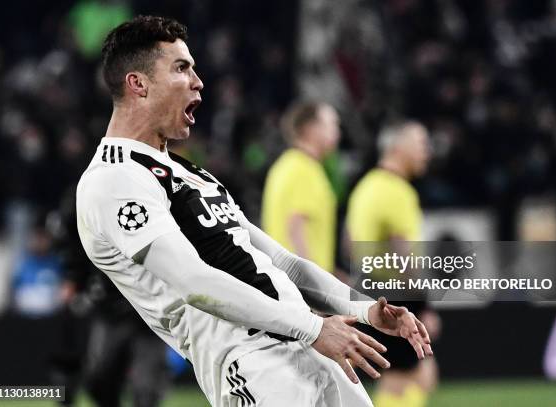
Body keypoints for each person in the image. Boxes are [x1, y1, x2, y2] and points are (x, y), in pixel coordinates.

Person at [76, 16, 432, 407]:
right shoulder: (113, 179)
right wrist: (313, 328)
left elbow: (282, 262)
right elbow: (195, 282)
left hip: (313, 343)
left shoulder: (192, 174)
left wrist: (364, 309)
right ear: (137, 84)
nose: (198, 82)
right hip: (253, 364)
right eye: (181, 68)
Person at [346, 121, 441, 407]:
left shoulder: (365, 187)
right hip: (397, 297)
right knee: (413, 378)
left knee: (396, 379)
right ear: (398, 147)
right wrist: (424, 308)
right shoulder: (397, 191)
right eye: (421, 143)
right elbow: (404, 258)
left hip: (369, 292)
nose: (427, 151)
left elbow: (349, 244)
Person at [261, 101, 339, 273]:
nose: (337, 132)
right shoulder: (304, 169)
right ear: (311, 128)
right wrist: (315, 285)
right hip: (302, 288)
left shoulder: (285, 165)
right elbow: (295, 229)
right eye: (332, 124)